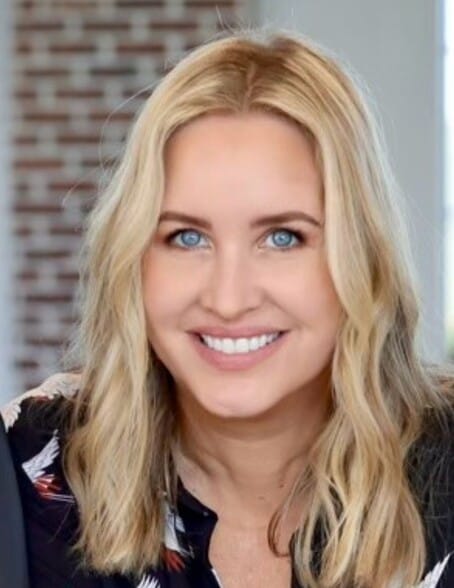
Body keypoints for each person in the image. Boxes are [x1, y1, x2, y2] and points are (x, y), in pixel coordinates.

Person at [1, 26, 454, 588]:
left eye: (283, 237)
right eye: (187, 237)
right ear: (134, 259)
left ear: (360, 257)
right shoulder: (26, 475)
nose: (229, 298)